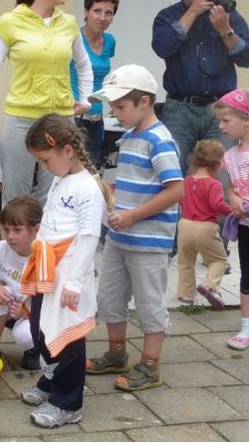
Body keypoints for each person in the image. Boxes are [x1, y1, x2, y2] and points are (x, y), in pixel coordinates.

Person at [85, 64, 184, 391]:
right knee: (110, 297)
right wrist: (112, 197)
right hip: (119, 237)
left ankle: (150, 366)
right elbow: (134, 184)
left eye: (120, 106)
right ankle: (117, 355)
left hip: (148, 241)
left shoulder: (159, 140)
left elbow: (176, 190)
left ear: (144, 102)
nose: (115, 113)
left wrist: (132, 216)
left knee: (148, 303)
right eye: (112, 107)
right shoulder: (128, 138)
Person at [0, 0, 93, 208]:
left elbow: (84, 65)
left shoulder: (69, 24)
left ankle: (46, 237)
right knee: (15, 201)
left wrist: (85, 98)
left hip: (61, 121)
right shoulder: (10, 22)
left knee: (54, 197)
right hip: (20, 122)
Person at [19, 114, 111, 428]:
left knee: (67, 338)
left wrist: (74, 282)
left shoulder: (88, 188)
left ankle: (68, 402)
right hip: (48, 273)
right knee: (41, 330)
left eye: (45, 160)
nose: (44, 167)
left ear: (68, 151)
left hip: (69, 278)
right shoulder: (61, 179)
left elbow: (88, 237)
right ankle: (51, 380)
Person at [152, 0, 249, 175]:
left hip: (221, 108)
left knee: (222, 174)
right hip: (180, 108)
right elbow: (162, 48)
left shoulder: (227, 14)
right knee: (173, 172)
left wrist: (225, 29)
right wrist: (192, 12)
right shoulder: (167, 16)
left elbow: (248, 58)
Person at [213, 89, 249, 351]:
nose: (220, 126)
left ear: (247, 118)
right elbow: (232, 186)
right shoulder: (231, 156)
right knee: (248, 278)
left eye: (226, 120)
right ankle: (248, 330)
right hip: (247, 228)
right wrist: (233, 197)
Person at [0, 196, 43, 370]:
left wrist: (27, 313)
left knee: (24, 336)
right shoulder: (0, 249)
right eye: (6, 229)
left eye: (17, 230)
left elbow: (53, 304)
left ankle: (37, 349)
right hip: (11, 311)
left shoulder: (45, 255)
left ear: (36, 229)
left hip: (40, 317)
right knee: (0, 294)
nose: (10, 236)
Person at [176, 139, 231, 309]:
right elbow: (216, 205)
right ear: (215, 163)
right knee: (219, 260)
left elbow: (180, 199)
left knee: (186, 262)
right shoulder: (214, 184)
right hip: (206, 227)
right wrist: (232, 211)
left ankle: (186, 294)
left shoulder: (186, 180)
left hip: (185, 225)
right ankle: (209, 286)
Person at [70, 0, 119, 166]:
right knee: (70, 172)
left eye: (109, 13)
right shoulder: (73, 37)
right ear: (86, 11)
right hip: (74, 117)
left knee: (93, 173)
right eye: (97, 11)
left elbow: (100, 77)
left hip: (97, 119)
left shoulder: (110, 41)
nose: (102, 18)